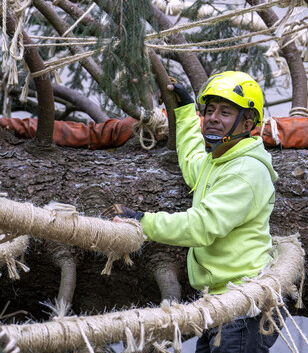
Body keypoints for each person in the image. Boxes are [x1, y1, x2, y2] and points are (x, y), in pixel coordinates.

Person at [105, 71, 279, 352]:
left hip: (244, 309)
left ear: (248, 123)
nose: (212, 117)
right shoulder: (219, 162)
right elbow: (191, 160)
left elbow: (202, 226)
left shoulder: (246, 171)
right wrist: (186, 110)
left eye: (225, 112)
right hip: (220, 305)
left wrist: (142, 222)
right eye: (209, 110)